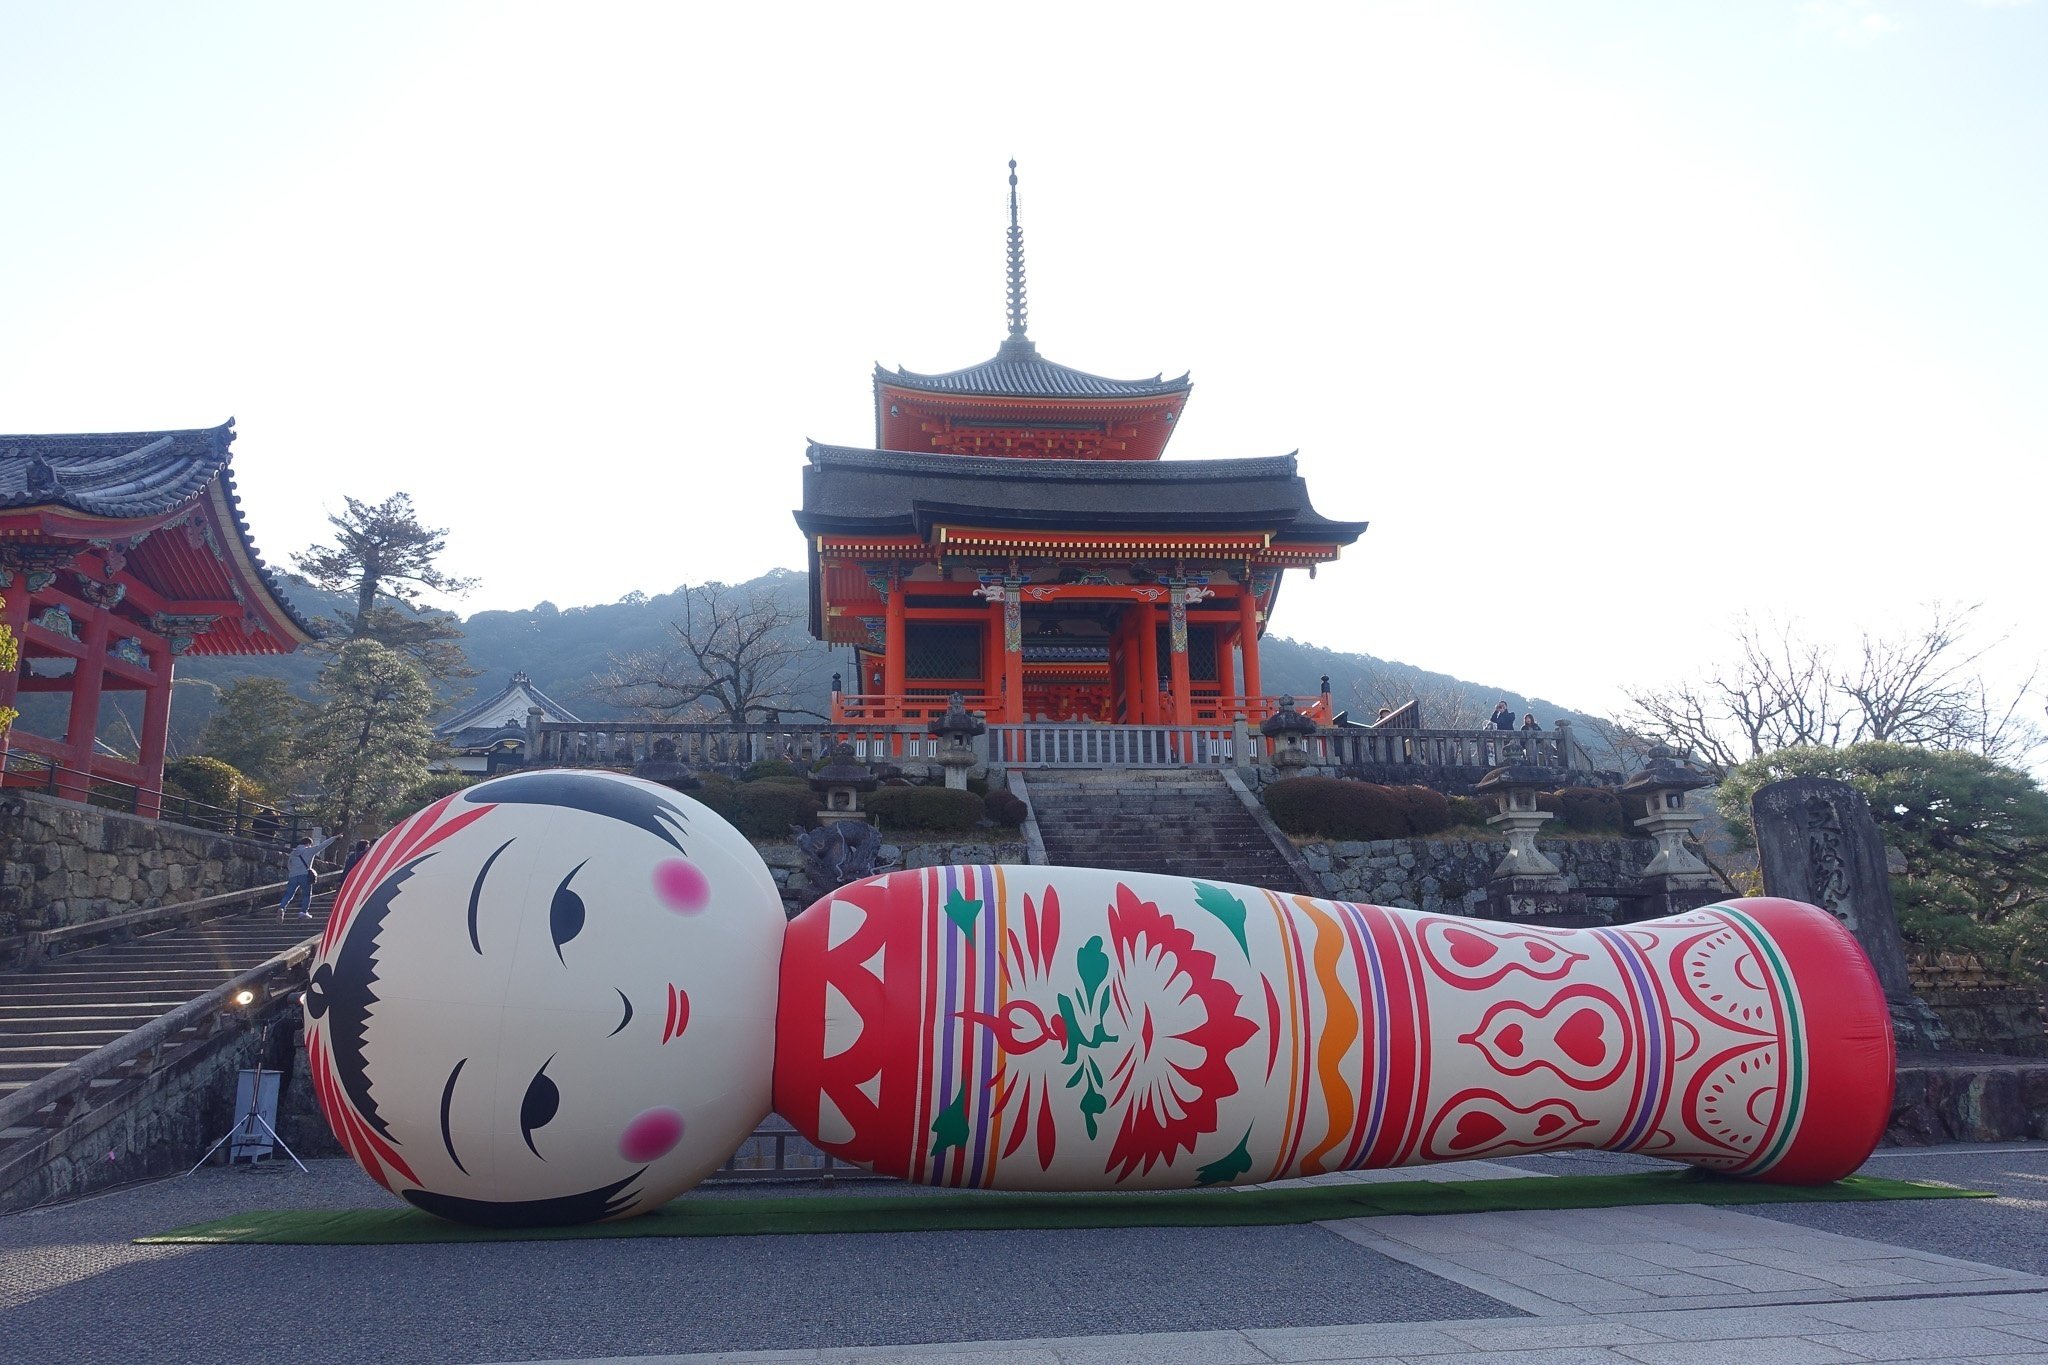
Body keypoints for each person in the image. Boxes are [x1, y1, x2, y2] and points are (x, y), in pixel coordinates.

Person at [279, 832, 337, 920]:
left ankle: (282, 907)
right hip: (304, 875)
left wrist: (293, 872)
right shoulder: (309, 850)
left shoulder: (293, 852)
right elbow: (323, 845)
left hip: (293, 876)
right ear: (308, 844)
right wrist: (335, 838)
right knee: (306, 894)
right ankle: (303, 912)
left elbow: (289, 865)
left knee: (288, 894)